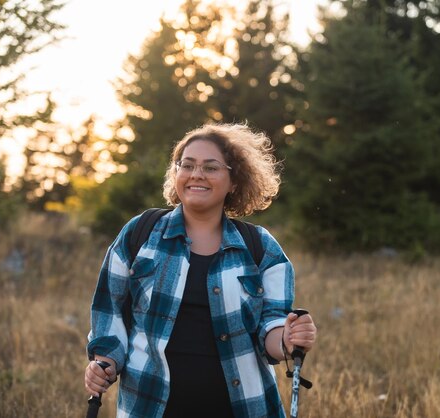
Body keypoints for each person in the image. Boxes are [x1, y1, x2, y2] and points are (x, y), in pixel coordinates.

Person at [84, 123, 317, 417]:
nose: (197, 174)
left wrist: (288, 338)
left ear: (234, 181)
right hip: (149, 404)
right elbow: (109, 307)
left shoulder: (260, 247)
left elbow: (271, 328)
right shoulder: (140, 234)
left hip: (241, 406)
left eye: (211, 167)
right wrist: (104, 362)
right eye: (187, 165)